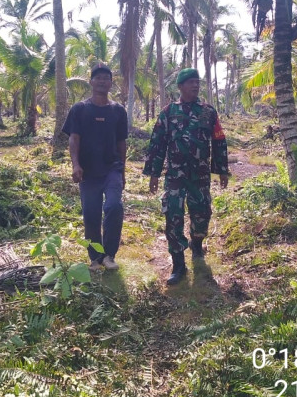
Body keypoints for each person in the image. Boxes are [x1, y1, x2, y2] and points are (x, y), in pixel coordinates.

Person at [143, 68, 229, 285]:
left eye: (197, 82)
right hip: (175, 176)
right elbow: (157, 144)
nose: (195, 86)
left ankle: (197, 244)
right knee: (173, 216)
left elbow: (218, 141)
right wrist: (153, 173)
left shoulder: (209, 112)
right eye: (190, 82)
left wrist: (221, 170)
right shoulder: (168, 112)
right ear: (180, 87)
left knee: (202, 214)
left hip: (200, 177)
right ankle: (178, 263)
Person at [62, 63, 128, 271]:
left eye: (106, 78)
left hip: (112, 169)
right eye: (98, 78)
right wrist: (75, 165)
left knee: (114, 206)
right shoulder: (80, 109)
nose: (102, 81)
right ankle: (94, 257)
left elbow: (121, 143)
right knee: (91, 213)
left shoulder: (118, 111)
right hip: (88, 171)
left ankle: (109, 255)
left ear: (111, 83)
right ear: (91, 82)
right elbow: (74, 138)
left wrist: (123, 171)